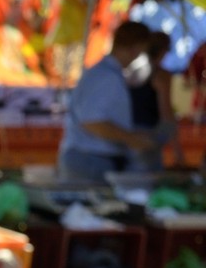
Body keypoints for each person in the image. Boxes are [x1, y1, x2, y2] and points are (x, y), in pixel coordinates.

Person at [57, 20, 158, 180]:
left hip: (90, 159)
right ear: (135, 48)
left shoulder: (105, 73)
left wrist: (132, 135)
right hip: (89, 161)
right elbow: (92, 121)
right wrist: (131, 139)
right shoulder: (107, 76)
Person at [131, 29, 184, 172]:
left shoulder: (129, 71)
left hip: (123, 134)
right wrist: (177, 151)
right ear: (163, 51)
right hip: (146, 136)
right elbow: (166, 113)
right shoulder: (160, 75)